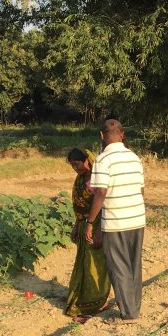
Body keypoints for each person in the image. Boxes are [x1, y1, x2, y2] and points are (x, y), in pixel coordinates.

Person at [85, 119, 145, 322]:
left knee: (118, 267)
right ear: (122, 134)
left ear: (102, 136)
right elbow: (141, 190)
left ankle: (128, 314)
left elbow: (101, 192)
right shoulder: (134, 157)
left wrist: (90, 222)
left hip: (116, 220)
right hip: (137, 218)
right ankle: (134, 308)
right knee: (133, 264)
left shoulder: (103, 160)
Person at [64, 148, 112, 323]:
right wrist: (77, 225)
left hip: (97, 224)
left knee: (95, 265)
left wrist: (98, 229)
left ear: (87, 161)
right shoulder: (80, 180)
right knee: (85, 263)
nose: (75, 169)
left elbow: (104, 204)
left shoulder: (96, 181)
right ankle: (87, 300)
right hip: (85, 224)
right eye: (72, 166)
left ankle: (98, 303)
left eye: (77, 164)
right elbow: (80, 207)